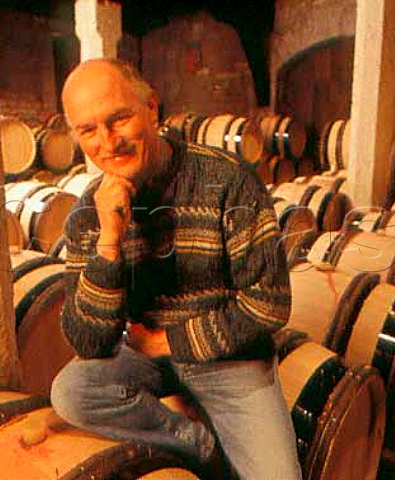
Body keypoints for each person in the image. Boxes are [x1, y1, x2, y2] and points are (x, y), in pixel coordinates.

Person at [50, 58, 302, 480]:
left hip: (229, 359)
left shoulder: (227, 180)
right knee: (72, 391)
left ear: (152, 108)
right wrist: (109, 240)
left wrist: (169, 342)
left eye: (119, 118)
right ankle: (199, 447)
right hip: (144, 358)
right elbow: (88, 341)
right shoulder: (86, 213)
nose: (107, 142)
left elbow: (269, 305)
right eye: (88, 130)